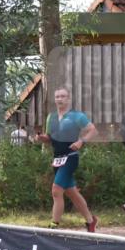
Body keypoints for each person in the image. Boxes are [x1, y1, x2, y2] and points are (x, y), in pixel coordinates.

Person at [34, 86, 99, 231]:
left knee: (56, 190)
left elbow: (93, 130)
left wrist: (81, 141)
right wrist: (41, 138)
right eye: (57, 97)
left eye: (63, 96)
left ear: (68, 99)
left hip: (70, 157)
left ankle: (54, 225)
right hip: (57, 158)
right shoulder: (51, 117)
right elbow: (50, 138)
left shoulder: (77, 116)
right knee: (72, 192)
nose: (59, 99)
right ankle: (90, 221)